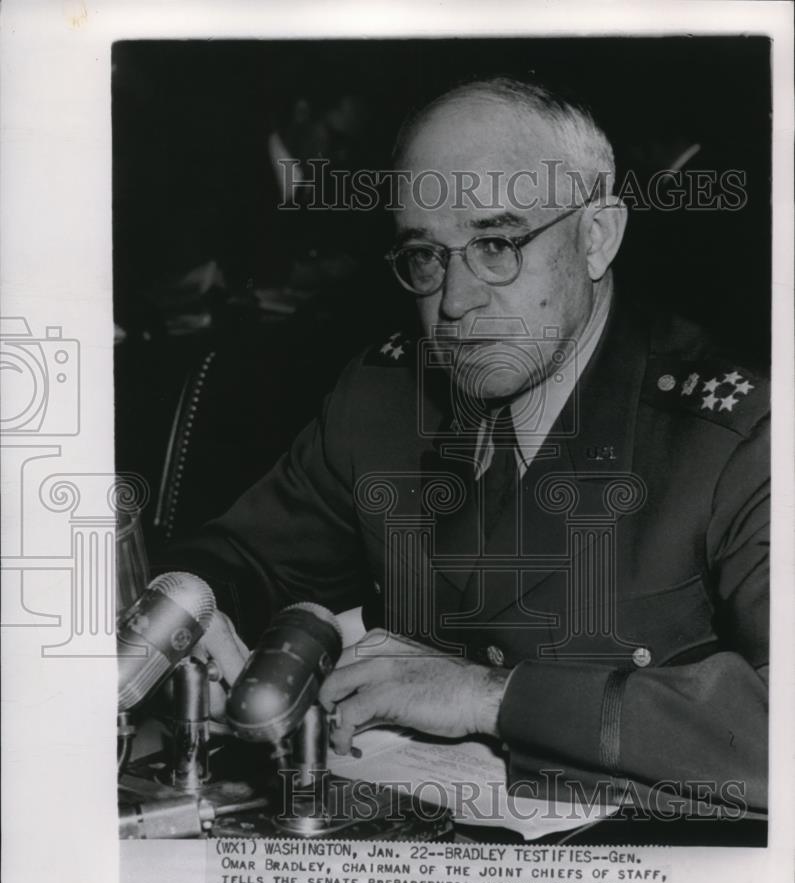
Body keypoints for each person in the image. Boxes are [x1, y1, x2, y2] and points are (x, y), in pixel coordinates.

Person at [169, 76, 769, 825]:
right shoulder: (385, 395)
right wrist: (176, 610)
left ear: (597, 236)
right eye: (425, 255)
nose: (453, 302)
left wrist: (489, 697)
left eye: (494, 244)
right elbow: (246, 557)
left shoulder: (738, 432)